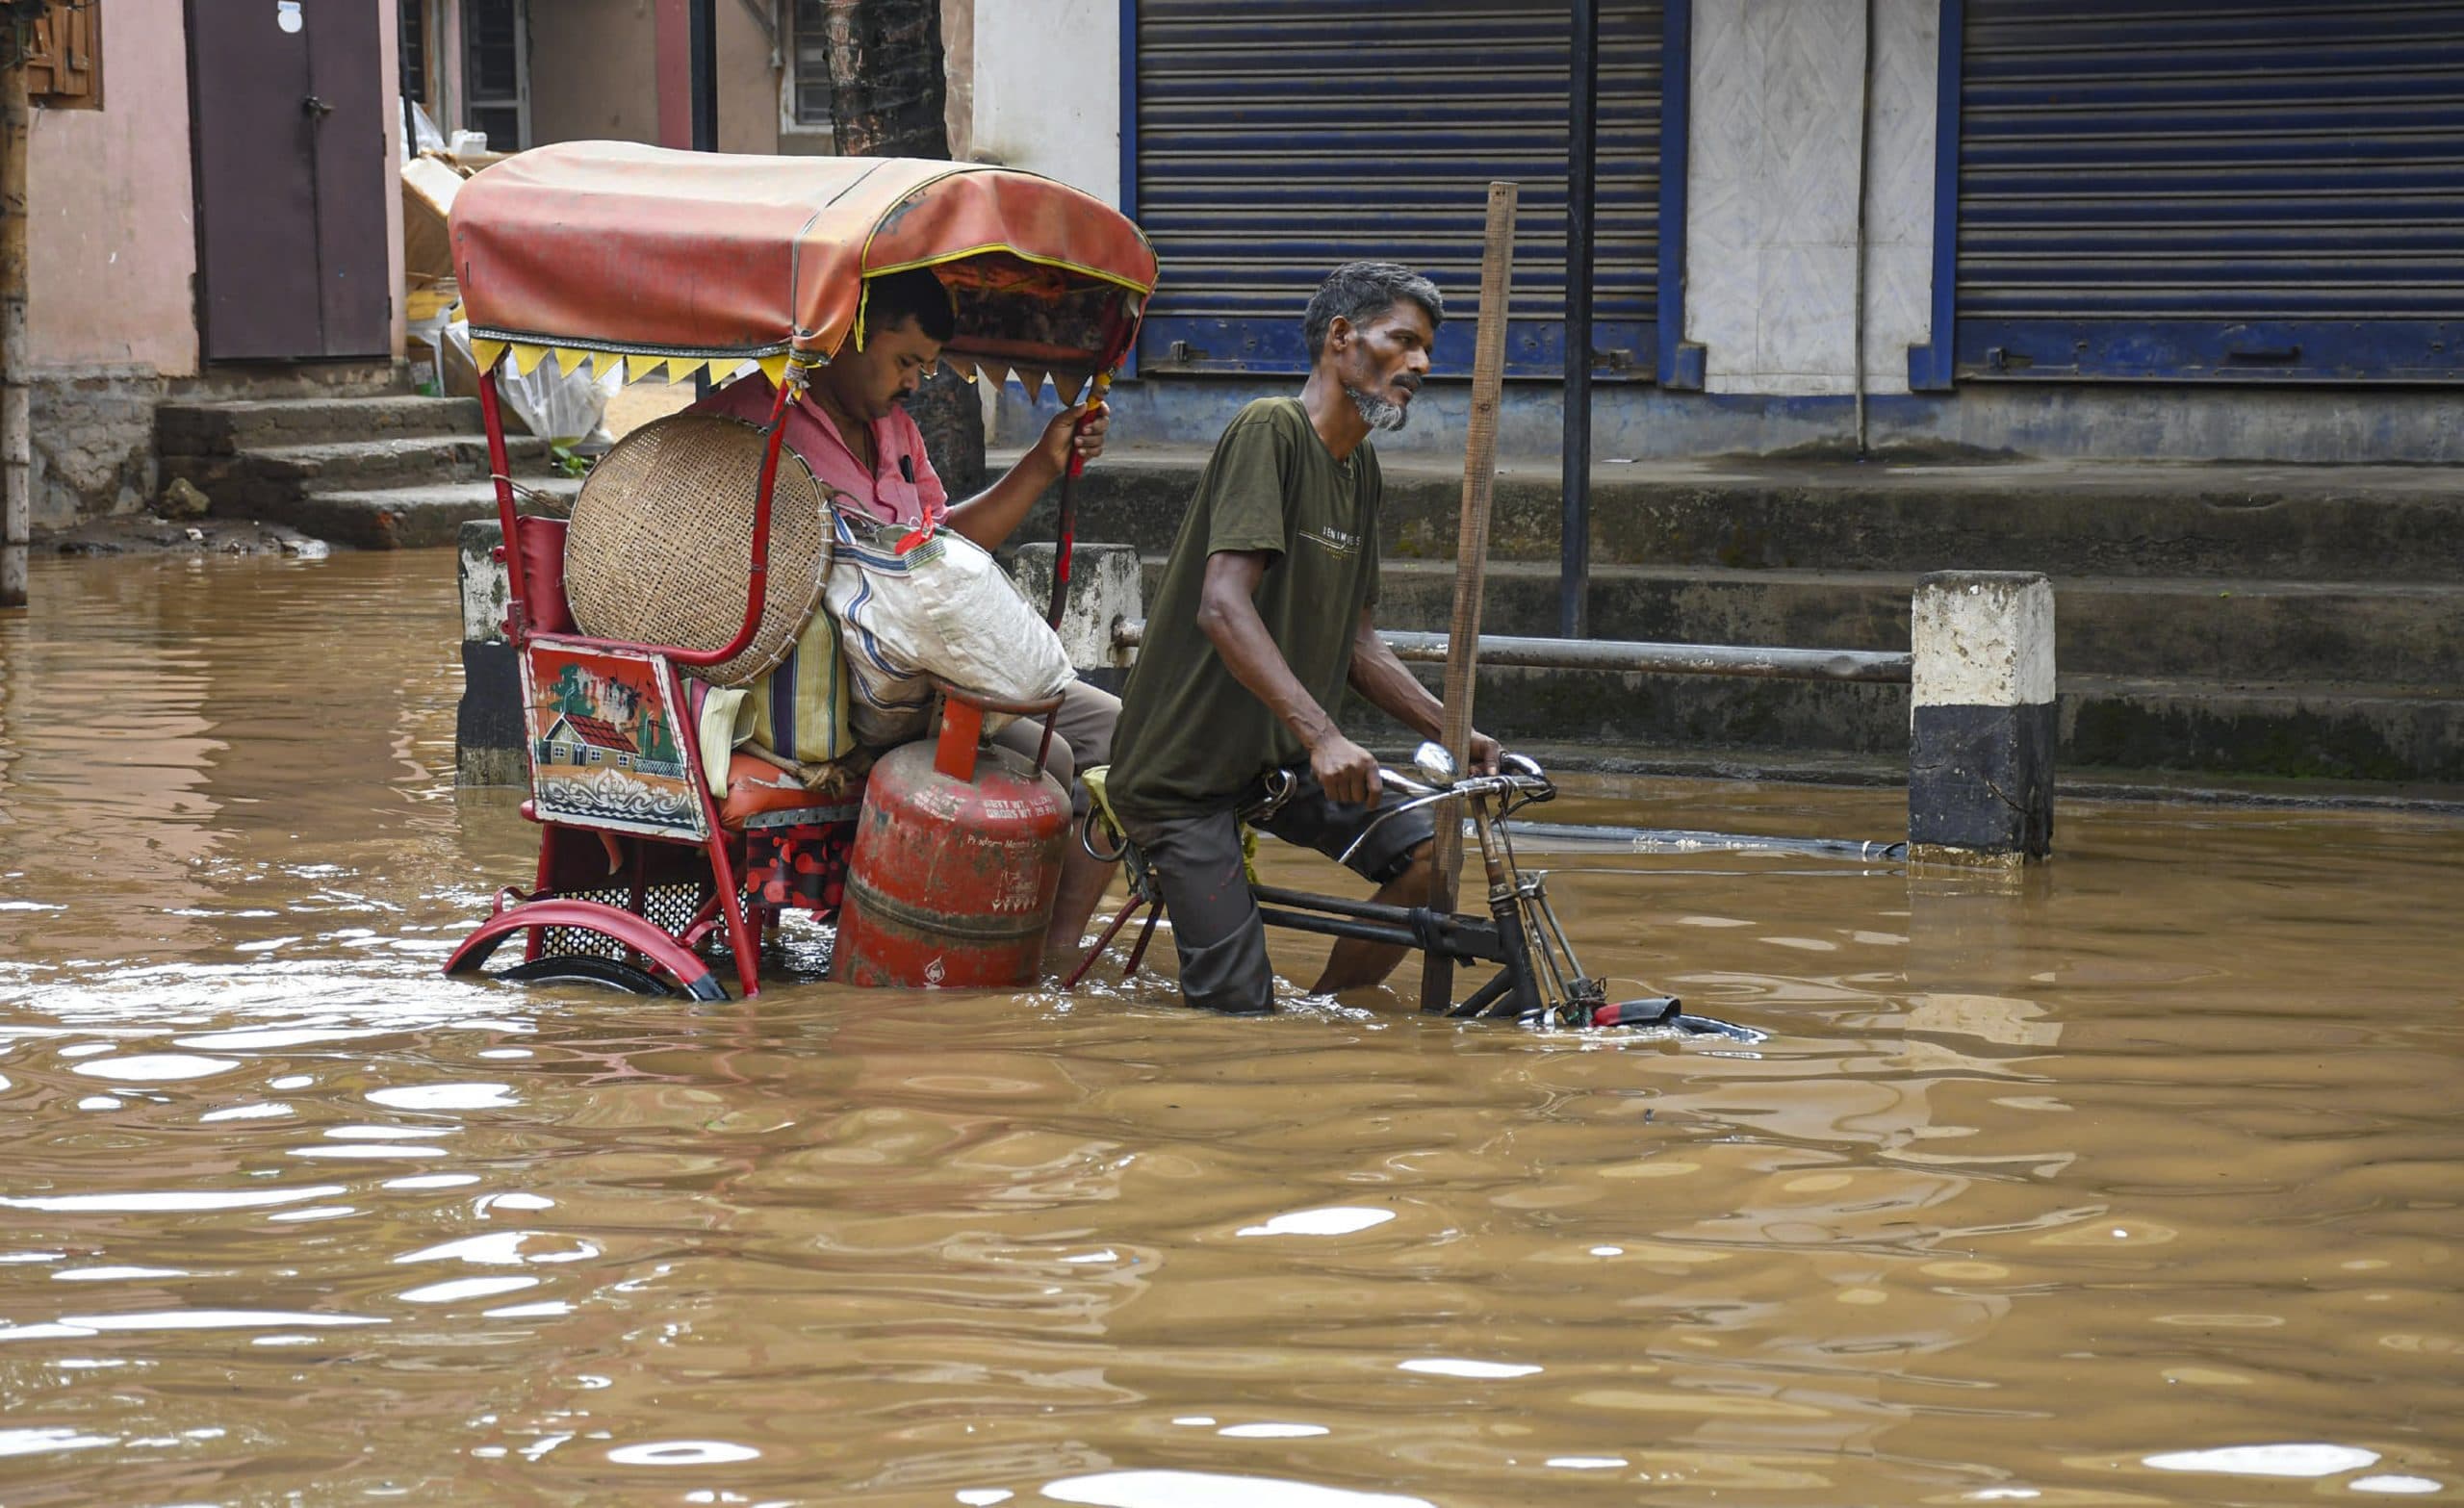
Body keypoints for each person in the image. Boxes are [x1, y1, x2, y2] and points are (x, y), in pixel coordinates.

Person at [691, 267, 1118, 965]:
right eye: (905, 362)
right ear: (851, 334)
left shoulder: (898, 435)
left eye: (926, 366)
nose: (916, 382)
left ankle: (1055, 948)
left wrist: (1045, 462)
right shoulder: (750, 422)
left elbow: (944, 550)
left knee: (1119, 736)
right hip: (866, 690)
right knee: (1055, 758)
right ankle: (990, 954)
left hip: (939, 664)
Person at [1104, 262, 1501, 1014]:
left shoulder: (1360, 469)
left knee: (1427, 860)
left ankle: (1324, 1017)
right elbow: (1223, 606)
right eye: (1405, 341)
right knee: (1237, 1011)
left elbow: (1358, 645)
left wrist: (1456, 732)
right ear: (1342, 339)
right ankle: (1261, 1024)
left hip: (1274, 763)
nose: (1421, 365)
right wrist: (1323, 736)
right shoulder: (1271, 430)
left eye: (1427, 350)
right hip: (1182, 778)